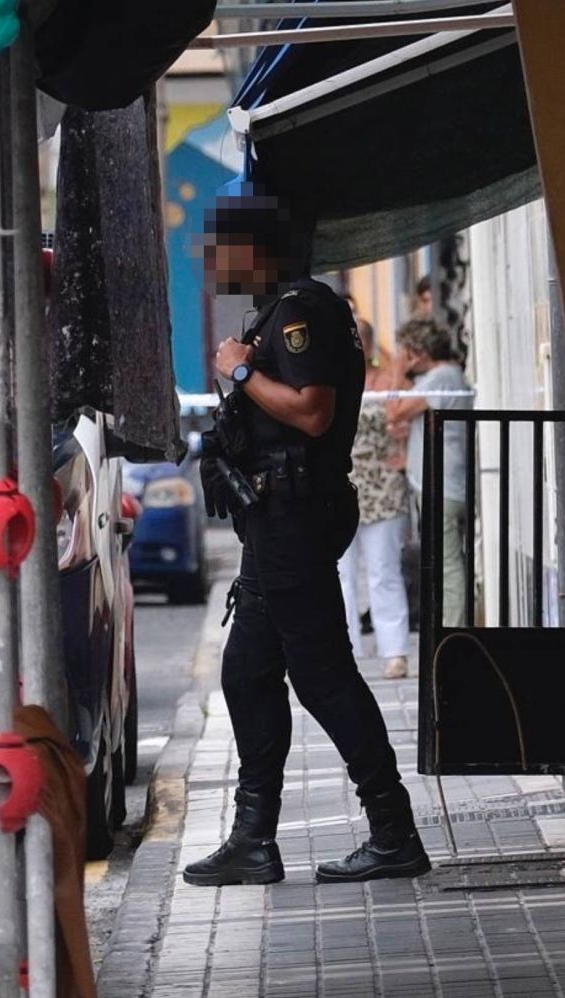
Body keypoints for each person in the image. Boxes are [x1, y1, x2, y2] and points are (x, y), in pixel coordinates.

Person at [185, 187, 429, 889]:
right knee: (246, 672)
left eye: (220, 248)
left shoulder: (300, 311)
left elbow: (313, 412)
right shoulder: (286, 310)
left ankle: (392, 829)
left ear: (254, 250)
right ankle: (252, 840)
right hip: (274, 524)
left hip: (294, 518)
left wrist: (239, 369)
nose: (210, 262)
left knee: (323, 675)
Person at [336, 316, 413, 677]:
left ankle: (394, 652)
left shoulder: (388, 381)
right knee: (341, 573)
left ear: (367, 345)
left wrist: (405, 456)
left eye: (360, 340)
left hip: (382, 486)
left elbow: (409, 421)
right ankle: (345, 650)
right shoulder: (332, 382)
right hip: (340, 487)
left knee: (384, 571)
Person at [388, 316, 472, 627]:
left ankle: (453, 632)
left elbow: (394, 411)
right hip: (443, 483)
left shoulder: (441, 377)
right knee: (444, 561)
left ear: (418, 352)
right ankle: (450, 627)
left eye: (405, 352)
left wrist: (397, 373)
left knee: (448, 564)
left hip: (442, 486)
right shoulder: (445, 376)